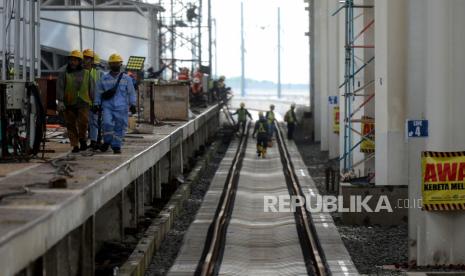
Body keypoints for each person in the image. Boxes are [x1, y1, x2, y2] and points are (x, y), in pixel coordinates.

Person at [94, 53, 137, 154]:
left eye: (116, 63)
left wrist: (133, 104)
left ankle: (116, 146)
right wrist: (96, 103)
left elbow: (131, 92)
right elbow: (98, 92)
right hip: (107, 106)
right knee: (107, 124)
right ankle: (107, 141)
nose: (114, 65)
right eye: (112, 63)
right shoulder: (103, 78)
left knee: (120, 127)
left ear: (120, 64)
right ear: (109, 65)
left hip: (122, 107)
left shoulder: (127, 79)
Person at [57, 50, 94, 153]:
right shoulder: (64, 73)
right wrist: (60, 101)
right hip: (68, 102)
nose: (72, 62)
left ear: (79, 61)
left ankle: (82, 139)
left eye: (75, 60)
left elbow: (92, 88)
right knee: (70, 124)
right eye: (71, 60)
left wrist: (94, 101)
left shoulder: (86, 73)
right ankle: (74, 145)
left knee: (83, 123)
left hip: (83, 102)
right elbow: (60, 87)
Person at [83, 49, 104, 150]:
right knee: (84, 123)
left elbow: (102, 88)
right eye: (84, 58)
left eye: (87, 58)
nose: (85, 60)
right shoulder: (81, 72)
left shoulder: (99, 74)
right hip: (83, 102)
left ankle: (94, 142)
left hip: (95, 102)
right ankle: (87, 142)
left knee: (94, 122)